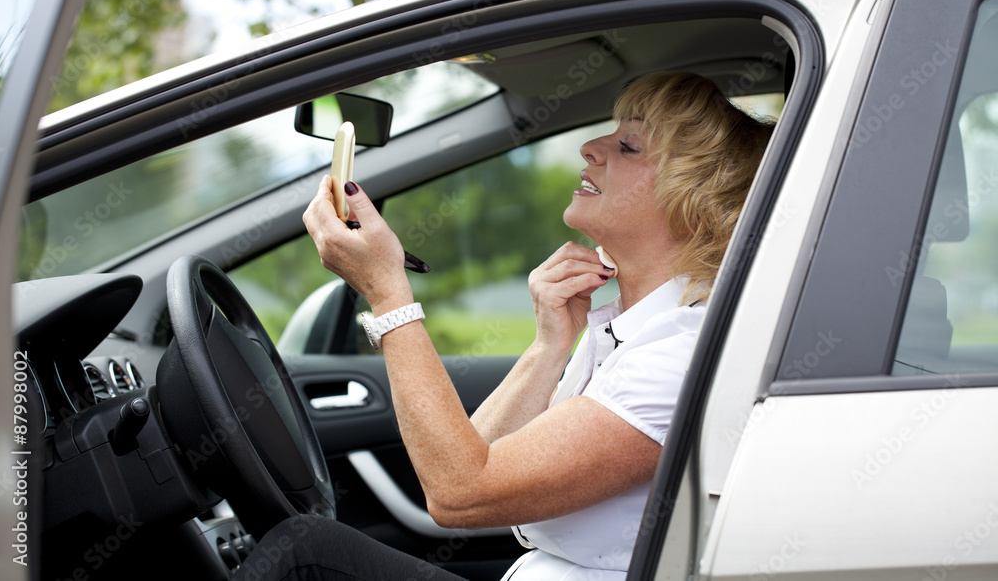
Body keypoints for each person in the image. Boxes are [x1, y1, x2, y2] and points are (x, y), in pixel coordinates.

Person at [234, 71, 773, 581]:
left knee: (304, 555)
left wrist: (388, 292)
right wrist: (549, 345)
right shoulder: (626, 331)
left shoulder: (678, 356)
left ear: (698, 206)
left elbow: (459, 492)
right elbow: (472, 457)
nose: (592, 148)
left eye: (628, 147)